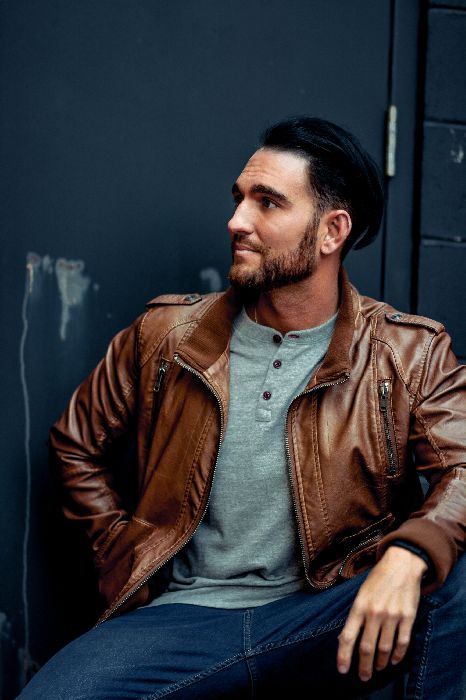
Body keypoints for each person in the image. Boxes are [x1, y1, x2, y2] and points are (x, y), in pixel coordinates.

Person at [19, 117, 465, 699]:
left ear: (332, 231)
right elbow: (75, 444)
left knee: (452, 574)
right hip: (182, 620)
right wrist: (121, 549)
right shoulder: (167, 334)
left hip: (323, 616)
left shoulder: (407, 353)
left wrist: (407, 555)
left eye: (267, 202)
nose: (237, 220)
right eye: (239, 198)